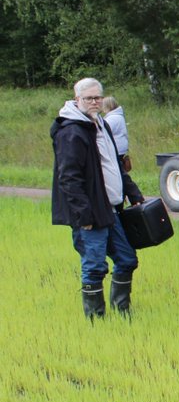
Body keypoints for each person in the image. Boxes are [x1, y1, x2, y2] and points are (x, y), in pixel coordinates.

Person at [52, 78, 145, 318]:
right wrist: (83, 215)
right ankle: (96, 321)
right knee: (94, 267)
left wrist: (132, 192)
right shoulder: (71, 131)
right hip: (91, 214)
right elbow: (68, 178)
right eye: (89, 98)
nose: (94, 102)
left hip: (112, 209)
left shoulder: (100, 124)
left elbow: (114, 164)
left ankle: (122, 311)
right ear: (77, 100)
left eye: (97, 97)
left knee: (127, 259)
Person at [101, 96, 131, 172]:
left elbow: (104, 132)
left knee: (116, 169)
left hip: (116, 148)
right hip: (121, 147)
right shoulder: (118, 116)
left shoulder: (112, 118)